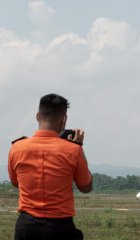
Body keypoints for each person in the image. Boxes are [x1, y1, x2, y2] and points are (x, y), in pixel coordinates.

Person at [8, 93, 93, 240]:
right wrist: (79, 147)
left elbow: (16, 183)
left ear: (37, 116)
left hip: (26, 226)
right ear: (64, 119)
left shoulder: (17, 148)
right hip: (60, 227)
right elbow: (86, 187)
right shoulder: (73, 150)